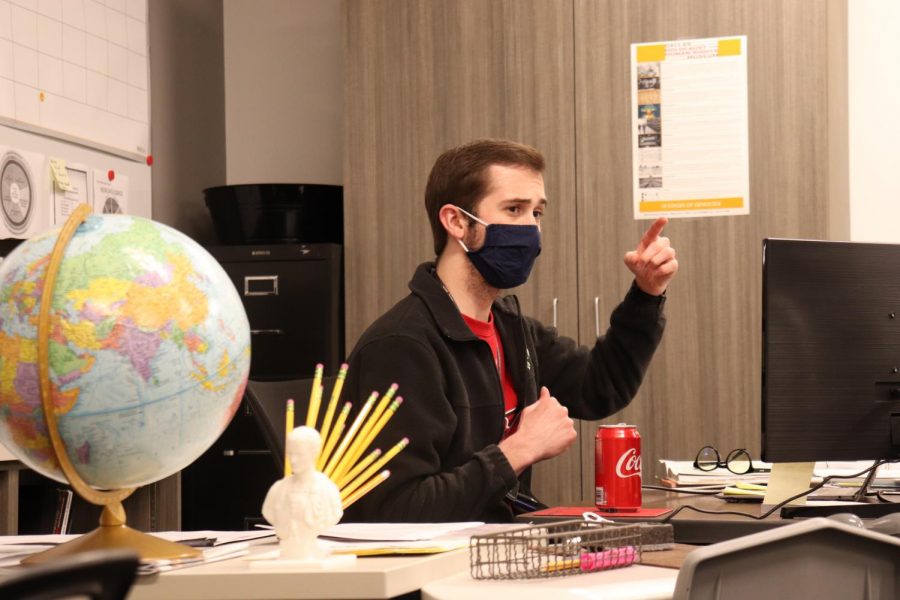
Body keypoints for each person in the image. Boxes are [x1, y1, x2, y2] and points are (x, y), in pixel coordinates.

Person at [341, 139, 678, 523]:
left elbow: (599, 386)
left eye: (537, 213)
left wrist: (646, 295)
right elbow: (395, 510)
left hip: (502, 551)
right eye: (514, 210)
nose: (531, 229)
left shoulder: (509, 328)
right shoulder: (401, 348)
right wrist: (518, 450)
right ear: (456, 222)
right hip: (439, 573)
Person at [262, 427, 343, 560]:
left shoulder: (327, 490)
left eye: (299, 454)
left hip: (311, 555)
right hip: (287, 554)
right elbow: (269, 512)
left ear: (314, 453)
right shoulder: (278, 490)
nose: (293, 460)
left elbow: (333, 515)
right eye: (290, 454)